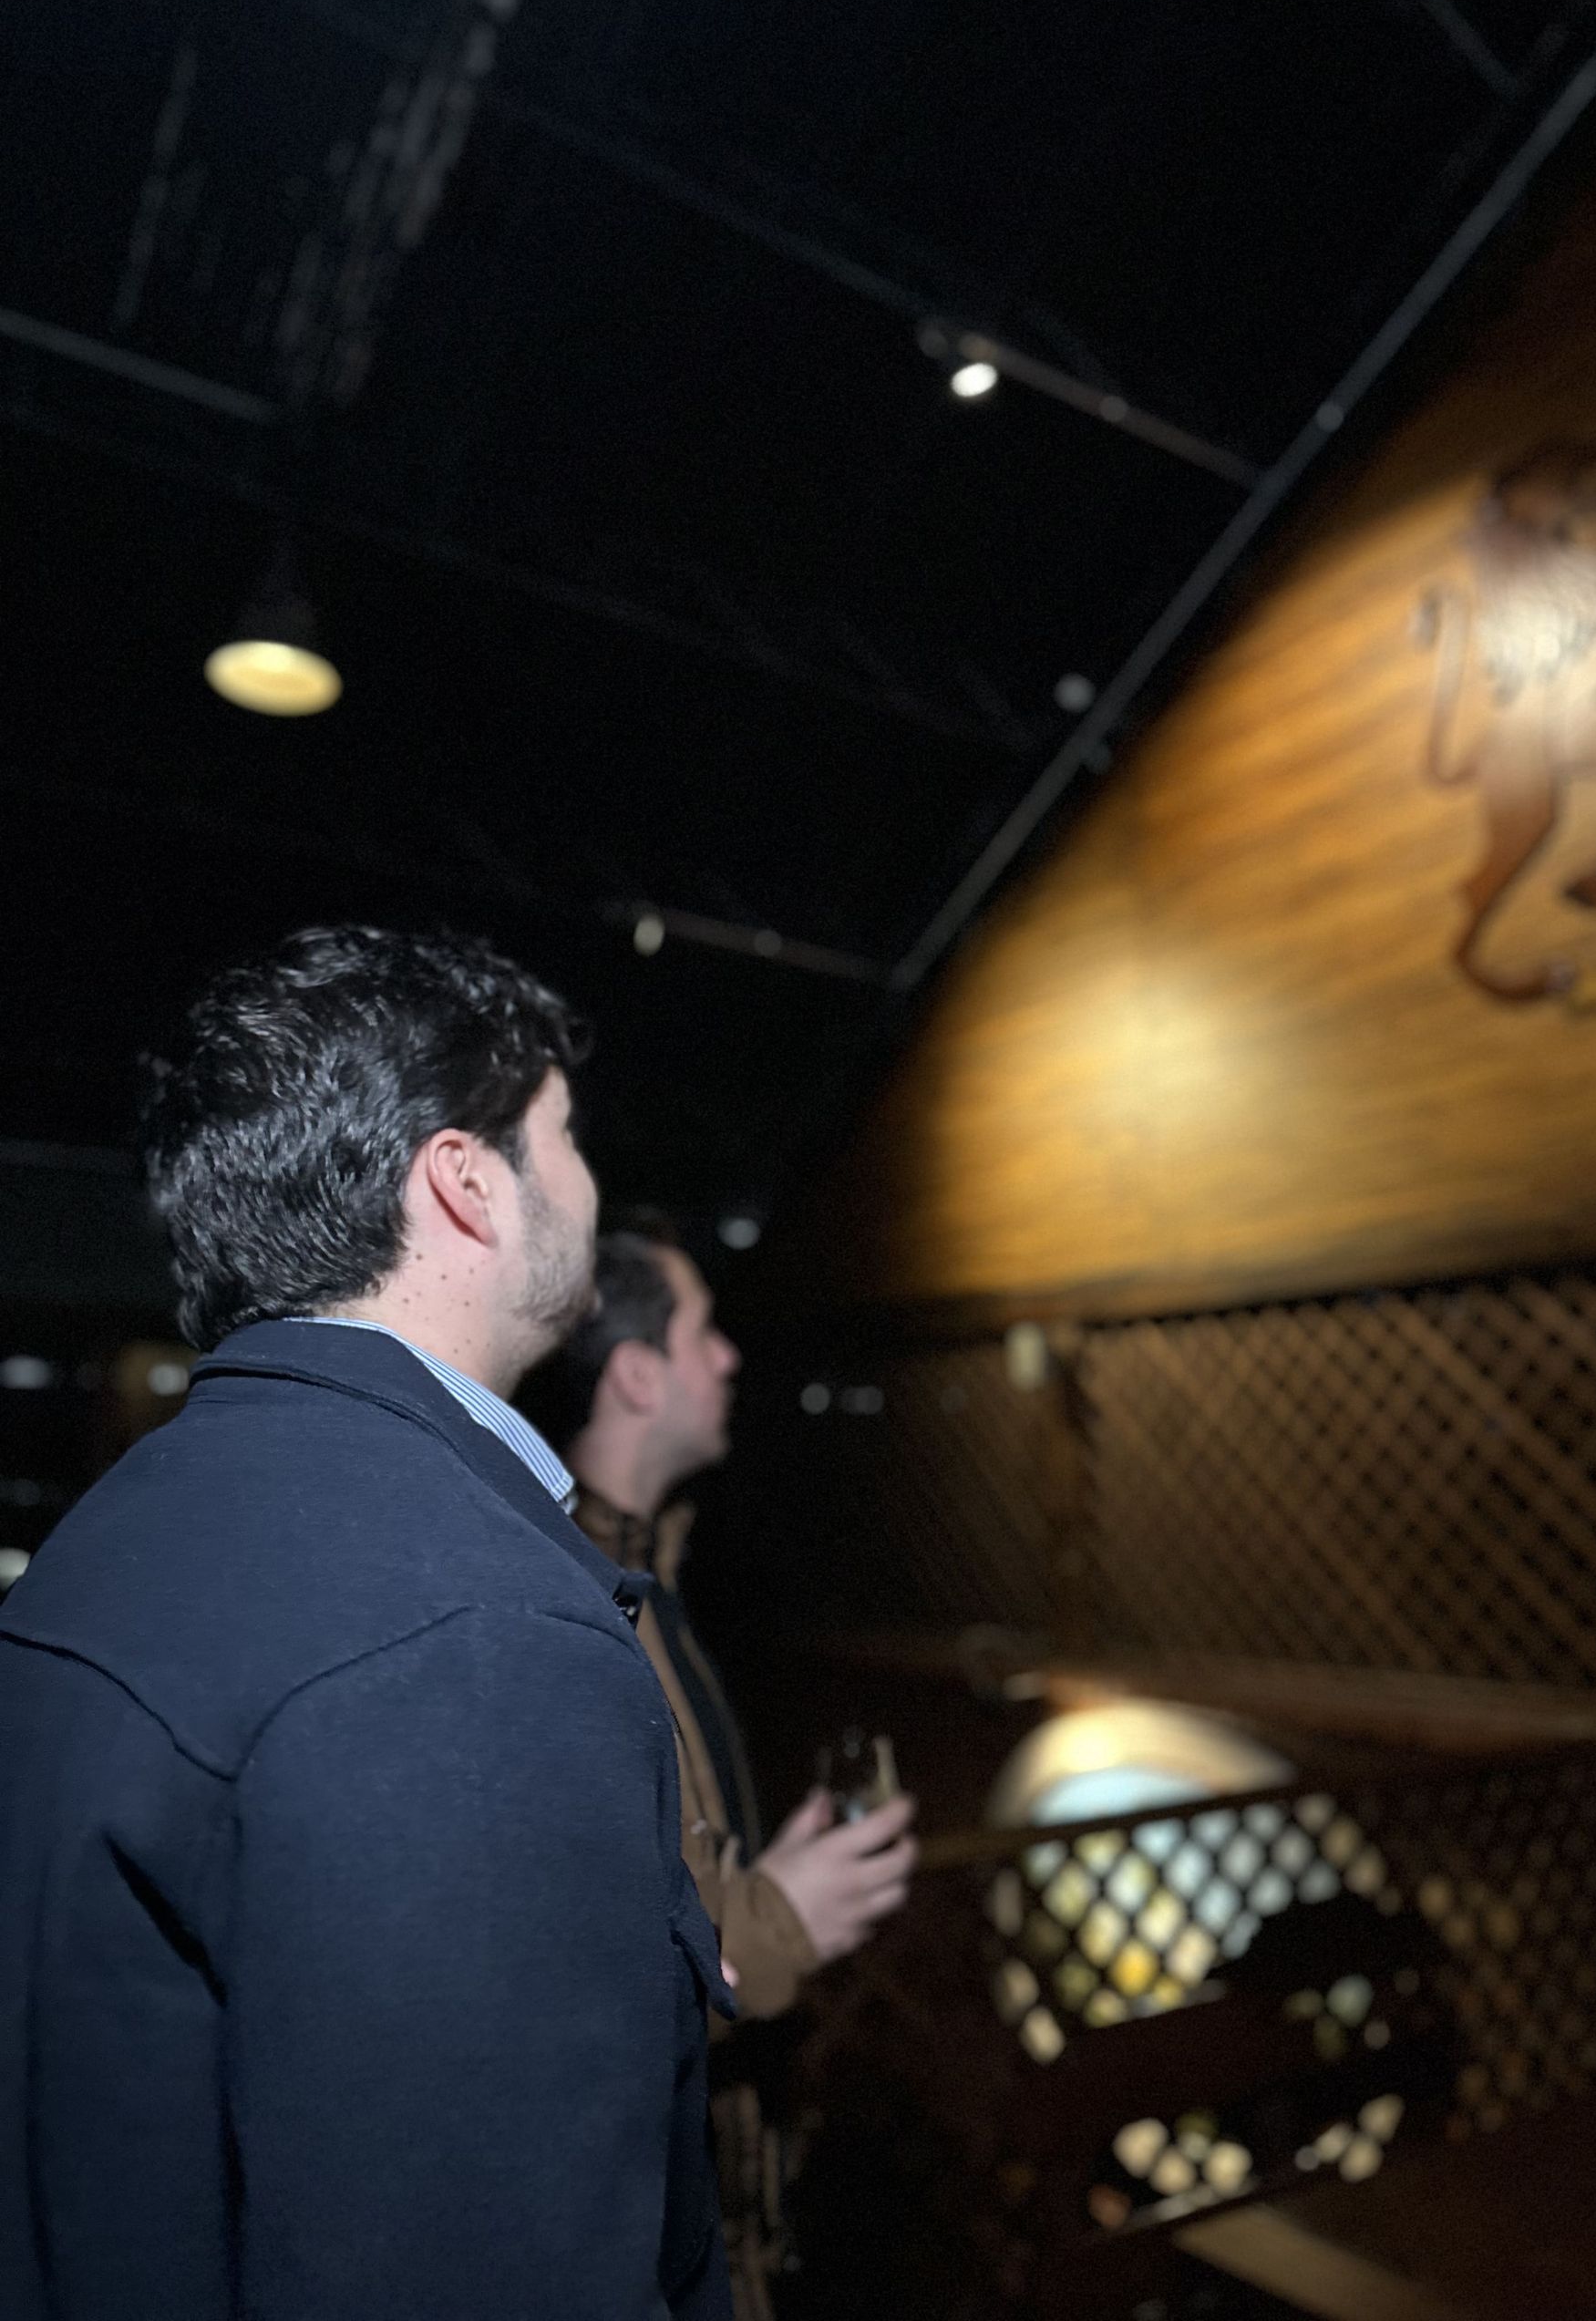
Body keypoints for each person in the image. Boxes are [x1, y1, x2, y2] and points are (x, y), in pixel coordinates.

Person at [0, 926, 732, 2321]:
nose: (586, 1182)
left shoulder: (113, 1534)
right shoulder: (478, 1640)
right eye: (564, 1136)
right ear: (468, 1183)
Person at [528, 1218, 916, 2320]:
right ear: (639, 1375)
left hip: (722, 2223)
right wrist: (779, 1919)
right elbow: (585, 1974)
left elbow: (675, 1868)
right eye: (704, 1331)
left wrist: (769, 1872)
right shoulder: (569, 1607)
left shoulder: (651, 1576)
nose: (731, 1355)